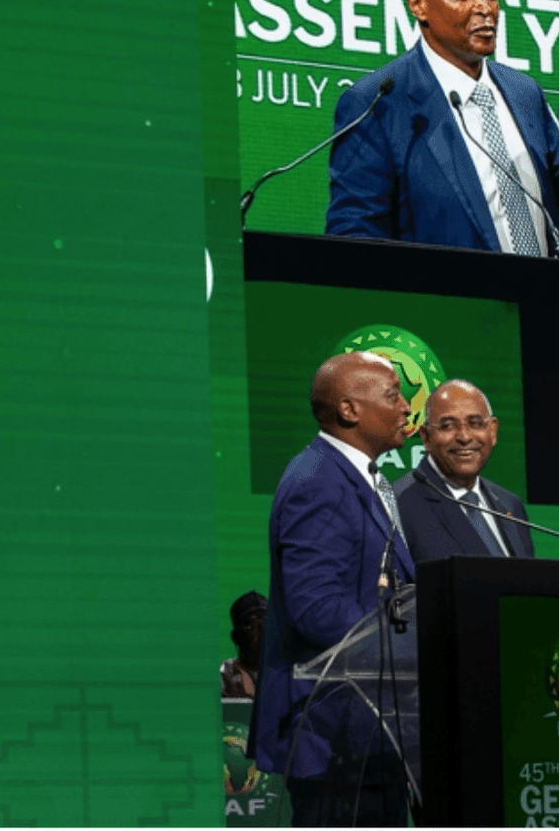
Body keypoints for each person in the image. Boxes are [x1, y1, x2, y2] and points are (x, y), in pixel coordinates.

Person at [250, 352, 417, 826]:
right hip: (335, 736)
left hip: (370, 733)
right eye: (393, 396)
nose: (406, 407)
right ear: (349, 410)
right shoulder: (319, 480)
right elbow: (317, 608)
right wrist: (411, 646)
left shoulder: (360, 478)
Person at [326, 0, 559, 254]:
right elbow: (354, 240)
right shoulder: (379, 104)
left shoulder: (526, 94)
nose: (484, 7)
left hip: (545, 301)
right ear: (418, 4)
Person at [393, 379, 534, 562]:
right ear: (426, 437)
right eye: (447, 426)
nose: (464, 437)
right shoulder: (399, 505)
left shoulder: (511, 505)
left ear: (492, 431)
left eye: (475, 423)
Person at [221, 590, 267, 698]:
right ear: (236, 637)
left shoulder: (287, 672)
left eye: (264, 622)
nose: (258, 628)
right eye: (249, 624)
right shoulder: (225, 673)